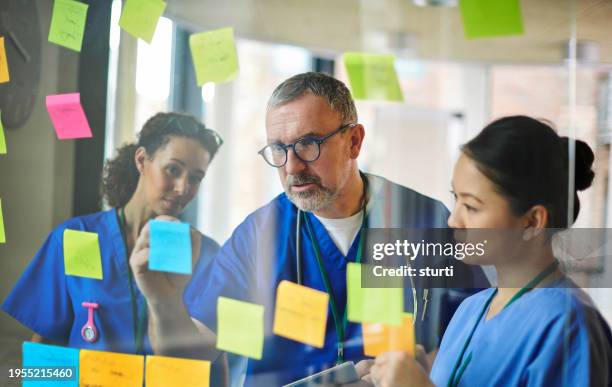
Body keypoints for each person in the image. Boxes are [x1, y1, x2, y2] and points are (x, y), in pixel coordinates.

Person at [133, 72, 487, 386]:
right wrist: (163, 302)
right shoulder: (260, 236)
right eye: (278, 149)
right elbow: (194, 353)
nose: (292, 167)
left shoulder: (423, 222)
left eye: (308, 144)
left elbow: (472, 337)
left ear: (354, 141)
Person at [368, 116, 612, 386]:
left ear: (531, 222)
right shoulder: (470, 311)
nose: (453, 220)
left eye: (471, 206)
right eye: (455, 198)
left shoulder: (569, 325)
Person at [2, 112, 223, 356]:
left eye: (196, 178)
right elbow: (45, 343)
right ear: (141, 160)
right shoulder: (81, 238)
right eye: (172, 169)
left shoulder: (207, 256)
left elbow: (217, 361)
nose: (183, 188)